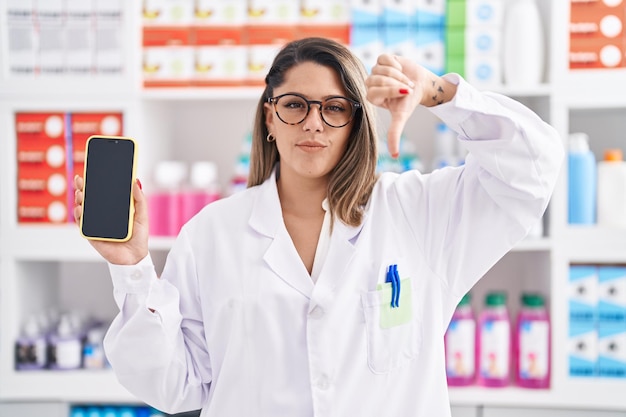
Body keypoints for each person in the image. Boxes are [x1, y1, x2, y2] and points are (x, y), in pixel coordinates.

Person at [73, 37, 563, 417]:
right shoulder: (211, 234)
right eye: (294, 104)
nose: (313, 123)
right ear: (269, 116)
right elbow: (173, 384)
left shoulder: (418, 212)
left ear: (355, 120)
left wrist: (440, 94)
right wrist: (132, 267)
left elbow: (533, 171)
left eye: (334, 107)